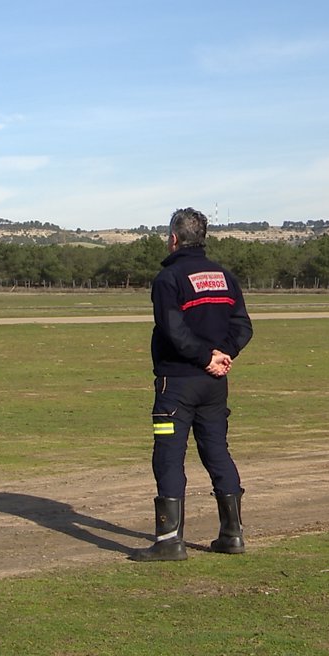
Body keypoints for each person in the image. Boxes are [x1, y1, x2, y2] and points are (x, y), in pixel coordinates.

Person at [132, 207, 254, 562]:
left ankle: (170, 540)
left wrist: (205, 357)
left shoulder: (168, 279)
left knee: (169, 456)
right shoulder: (225, 277)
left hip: (178, 384)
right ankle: (232, 534)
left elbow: (174, 331)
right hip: (215, 384)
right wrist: (222, 356)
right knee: (217, 451)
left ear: (173, 239)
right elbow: (243, 327)